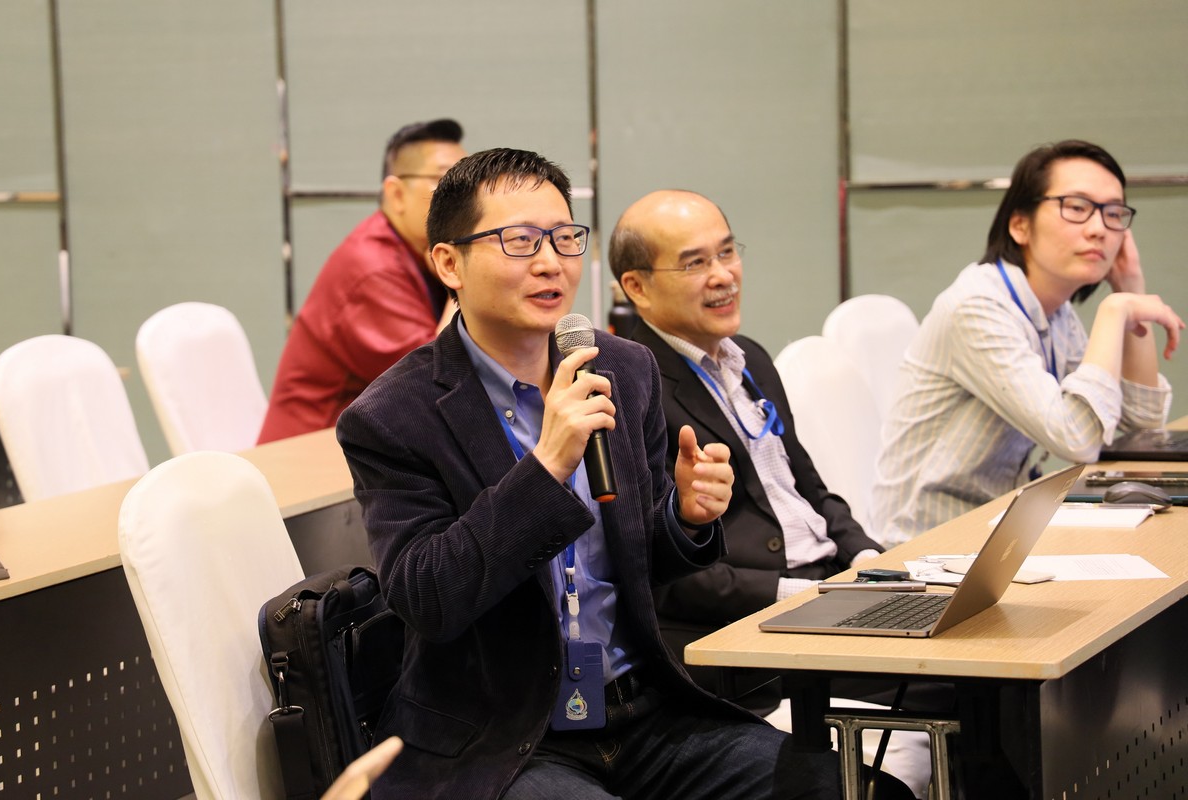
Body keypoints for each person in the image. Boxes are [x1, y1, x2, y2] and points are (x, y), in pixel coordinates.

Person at [337, 149, 909, 799]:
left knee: (863, 792)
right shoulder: (393, 417)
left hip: (646, 713)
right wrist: (546, 467)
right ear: (449, 263)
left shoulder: (623, 368)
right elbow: (428, 600)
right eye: (520, 241)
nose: (551, 262)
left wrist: (685, 518)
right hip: (507, 738)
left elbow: (642, 563)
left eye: (564, 238)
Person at [609, 190, 931, 798]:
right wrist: (804, 594)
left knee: (985, 652)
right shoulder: (632, 385)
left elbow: (810, 489)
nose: (723, 275)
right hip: (756, 629)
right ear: (638, 287)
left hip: (831, 589)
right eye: (695, 262)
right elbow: (662, 571)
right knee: (976, 681)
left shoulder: (748, 357)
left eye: (727, 252)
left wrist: (868, 559)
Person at [873, 140, 1184, 544]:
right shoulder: (977, 307)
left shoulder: (1055, 312)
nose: (1098, 229)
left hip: (1001, 530)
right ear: (1019, 225)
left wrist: (1131, 286)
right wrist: (1114, 310)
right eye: (1077, 207)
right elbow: (1077, 439)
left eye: (1112, 213)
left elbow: (1140, 435)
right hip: (927, 545)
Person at [259, 118, 466, 443]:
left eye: (466, 183)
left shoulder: (418, 250)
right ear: (396, 194)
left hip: (367, 444)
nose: (464, 200)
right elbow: (438, 382)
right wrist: (464, 279)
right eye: (445, 181)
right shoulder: (372, 269)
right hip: (311, 454)